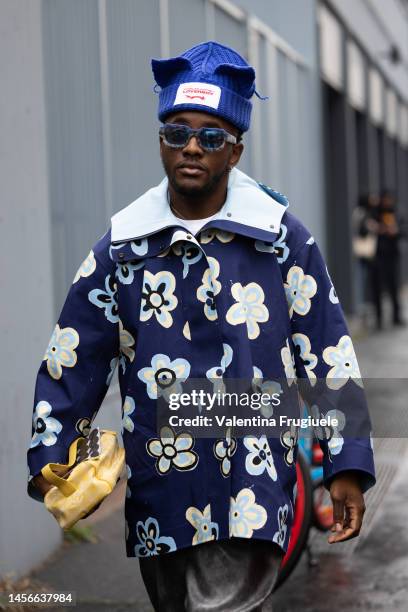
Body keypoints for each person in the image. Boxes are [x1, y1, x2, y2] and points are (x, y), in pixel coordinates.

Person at [27, 41, 375, 611]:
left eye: (211, 137)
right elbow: (74, 356)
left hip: (251, 485)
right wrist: (54, 454)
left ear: (234, 151)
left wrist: (348, 462)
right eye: (176, 133)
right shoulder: (124, 247)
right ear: (161, 140)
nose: (192, 148)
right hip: (160, 488)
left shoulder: (281, 240)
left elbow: (328, 350)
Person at [371, 190, 406, 329]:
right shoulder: (374, 213)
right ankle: (379, 318)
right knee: (377, 288)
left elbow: (404, 230)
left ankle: (396, 316)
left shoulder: (396, 213)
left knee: (394, 287)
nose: (387, 202)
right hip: (377, 255)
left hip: (392, 256)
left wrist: (395, 231)